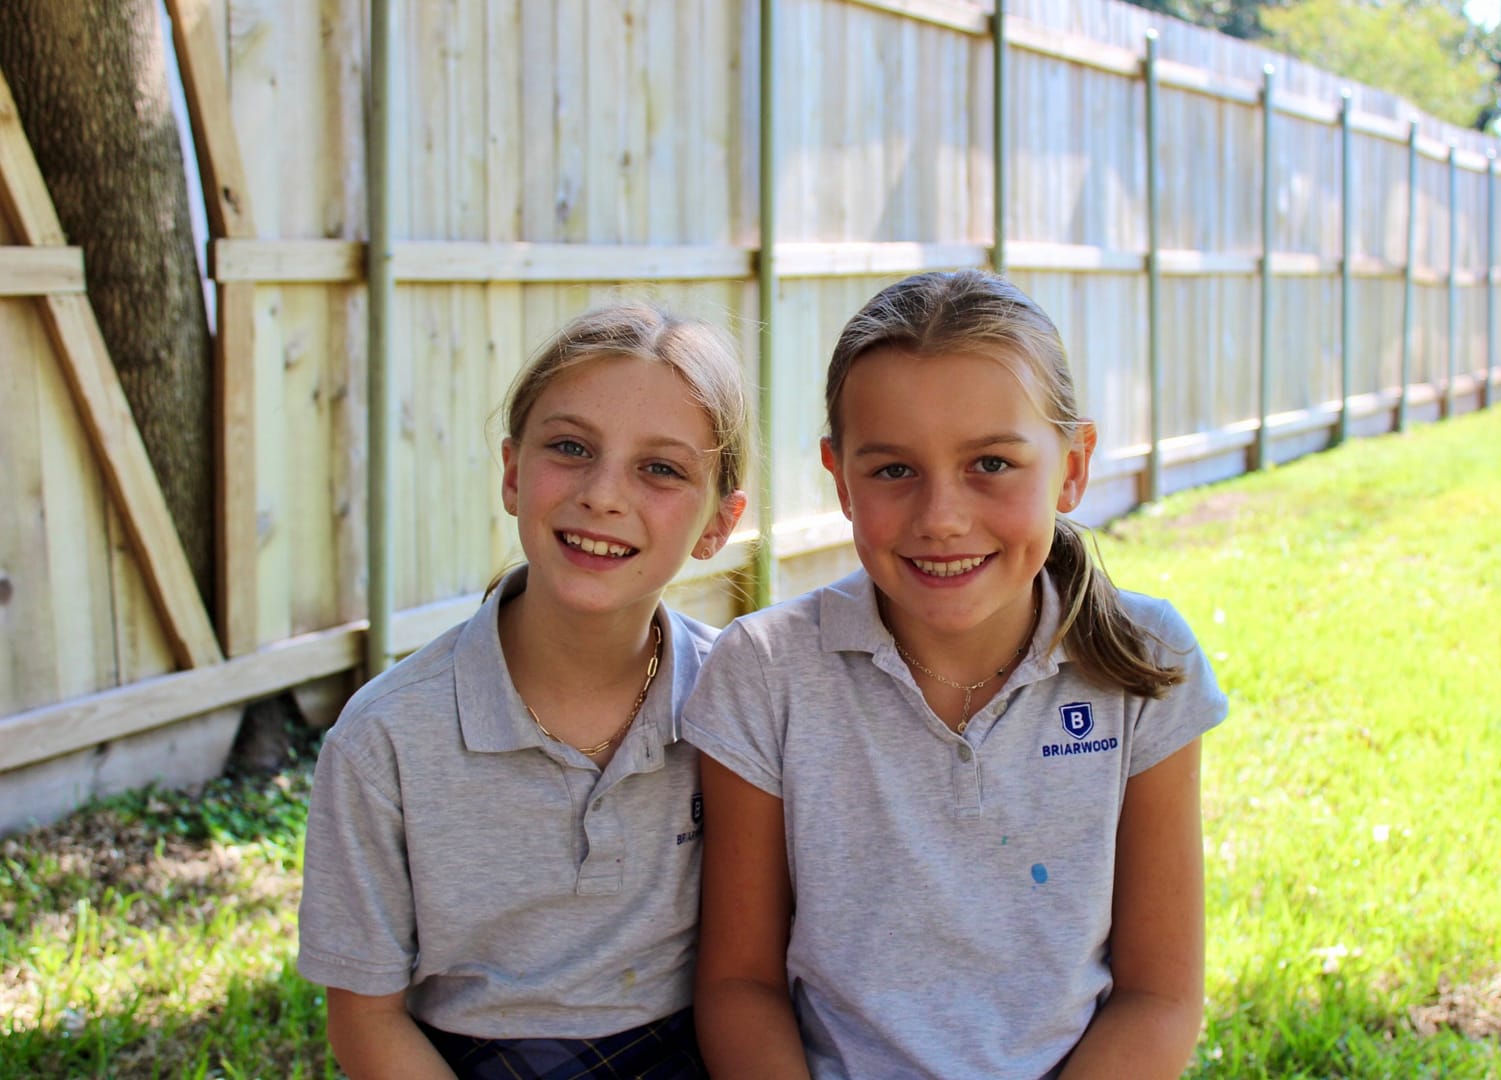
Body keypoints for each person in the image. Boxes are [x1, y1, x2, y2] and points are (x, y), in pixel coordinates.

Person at [683, 269, 1227, 1079]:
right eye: (894, 470)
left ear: (1073, 466)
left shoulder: (1148, 662)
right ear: (839, 478)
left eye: (992, 464)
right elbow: (739, 983)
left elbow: (1160, 998)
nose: (942, 517)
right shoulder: (766, 672)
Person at [297, 302, 750, 1080]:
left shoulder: (741, 705)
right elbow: (365, 1019)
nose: (604, 494)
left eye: (662, 468)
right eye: (571, 448)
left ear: (719, 523)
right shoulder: (386, 740)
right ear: (513, 472)